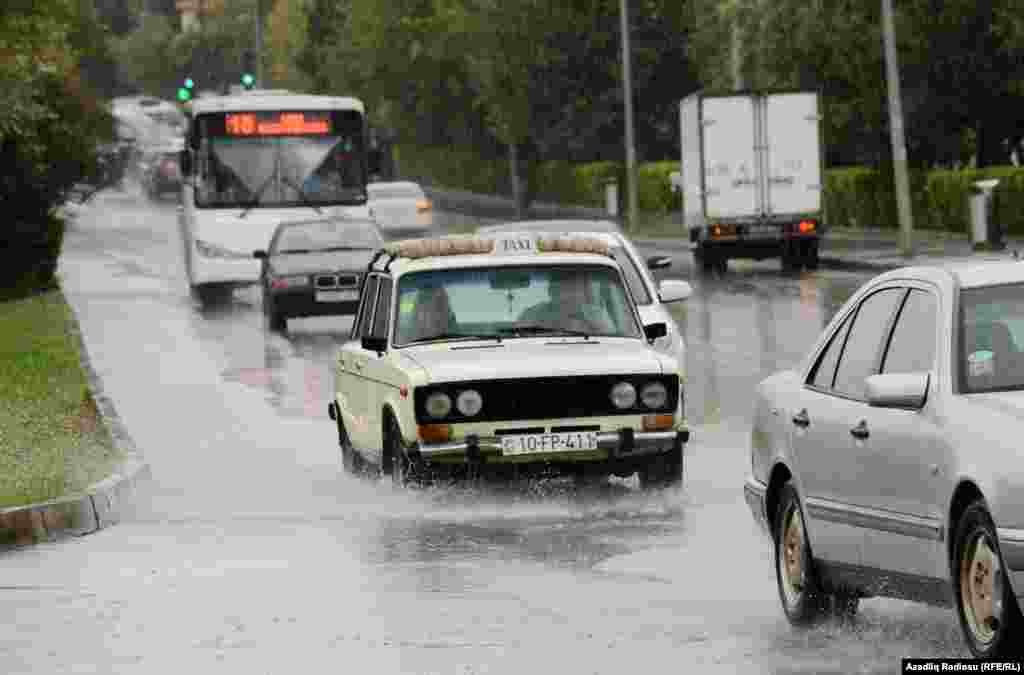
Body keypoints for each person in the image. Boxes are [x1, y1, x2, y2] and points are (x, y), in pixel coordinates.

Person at [517, 271, 614, 334]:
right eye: (563, 289)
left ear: (583, 293)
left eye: (575, 289)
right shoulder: (532, 314)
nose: (570, 295)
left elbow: (611, 342)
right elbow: (518, 338)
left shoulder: (595, 315)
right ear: (551, 291)